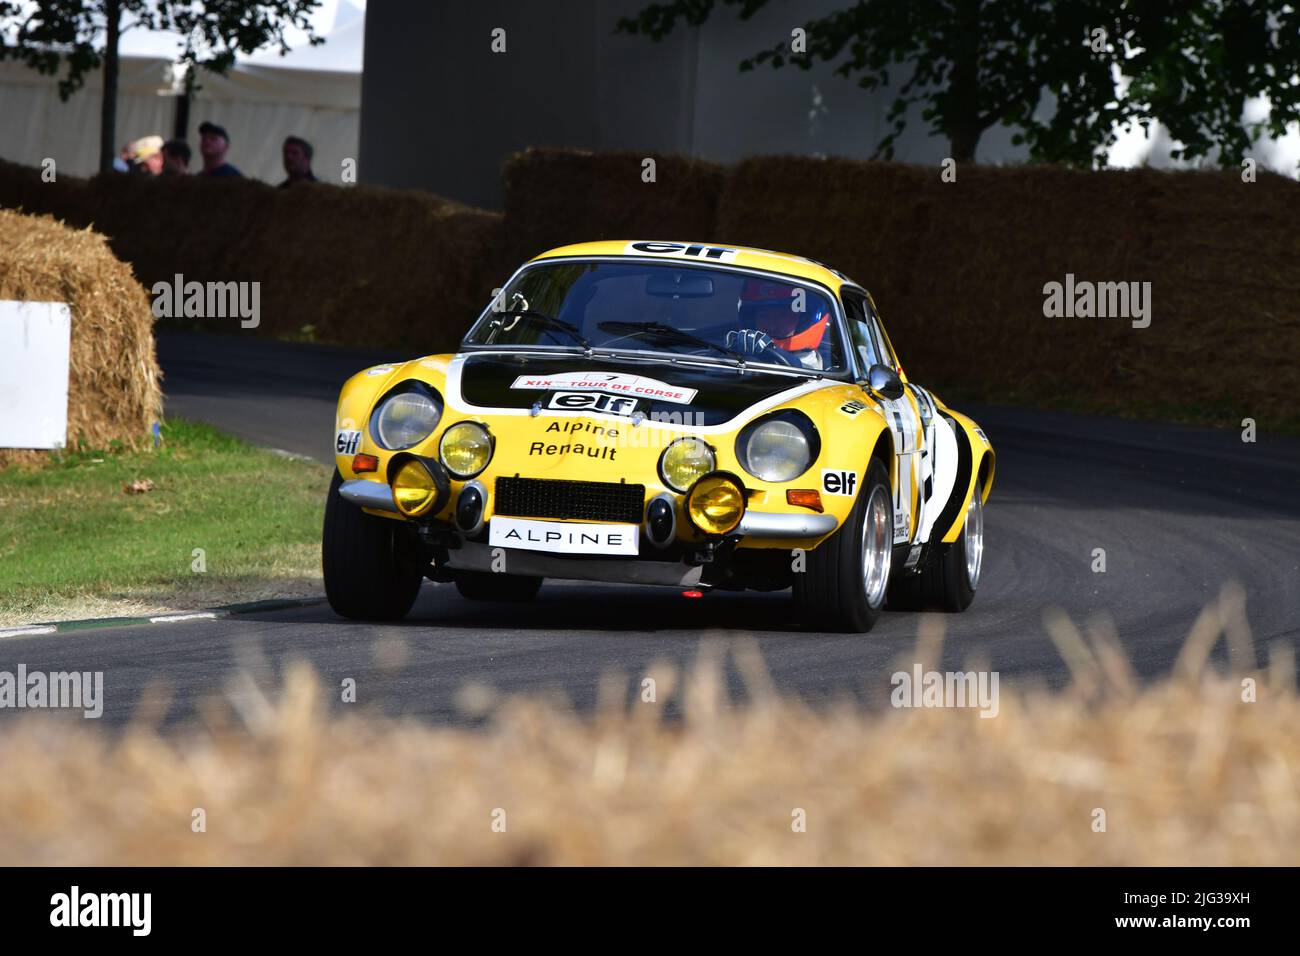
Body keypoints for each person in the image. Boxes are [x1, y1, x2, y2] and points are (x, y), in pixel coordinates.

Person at [730, 278, 834, 371]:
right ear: (751, 319)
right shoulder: (735, 351)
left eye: (783, 316)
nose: (772, 325)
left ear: (803, 319)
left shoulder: (814, 363)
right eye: (763, 316)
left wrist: (774, 353)